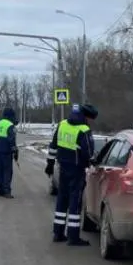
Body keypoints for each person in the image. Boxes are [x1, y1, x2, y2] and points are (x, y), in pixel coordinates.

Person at [45, 102, 98, 246]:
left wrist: (49, 164)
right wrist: (90, 163)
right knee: (75, 201)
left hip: (62, 166)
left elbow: (53, 145)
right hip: (77, 169)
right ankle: (73, 237)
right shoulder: (83, 129)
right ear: (86, 117)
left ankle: (58, 233)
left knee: (62, 198)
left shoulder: (62, 124)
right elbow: (88, 152)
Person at [0, 107, 19, 198]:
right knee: (7, 171)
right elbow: (12, 140)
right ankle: (6, 191)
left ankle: (0, 191)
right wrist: (15, 151)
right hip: (6, 152)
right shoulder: (10, 125)